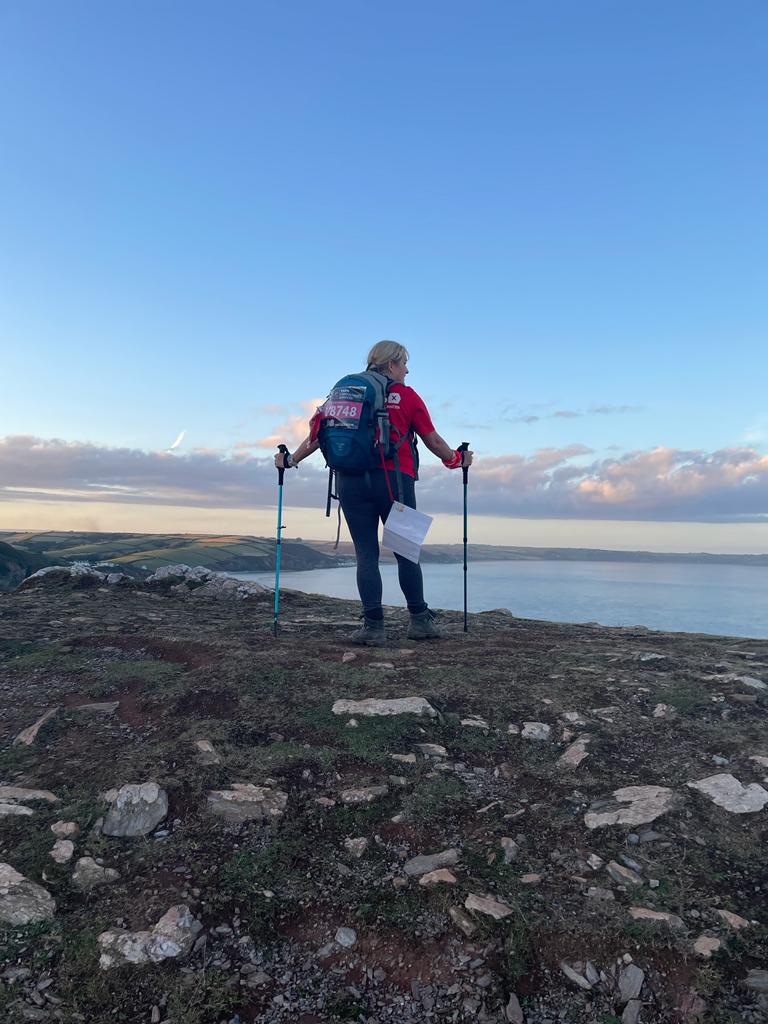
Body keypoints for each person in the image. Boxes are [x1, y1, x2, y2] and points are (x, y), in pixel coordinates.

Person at [275, 340, 473, 645]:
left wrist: (289, 461)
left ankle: (373, 626)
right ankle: (419, 621)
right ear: (392, 365)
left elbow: (316, 437)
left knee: (365, 554)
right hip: (395, 481)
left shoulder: (345, 394)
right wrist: (456, 460)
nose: (407, 370)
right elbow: (432, 440)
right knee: (406, 551)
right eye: (404, 363)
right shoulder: (405, 395)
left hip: (350, 482)